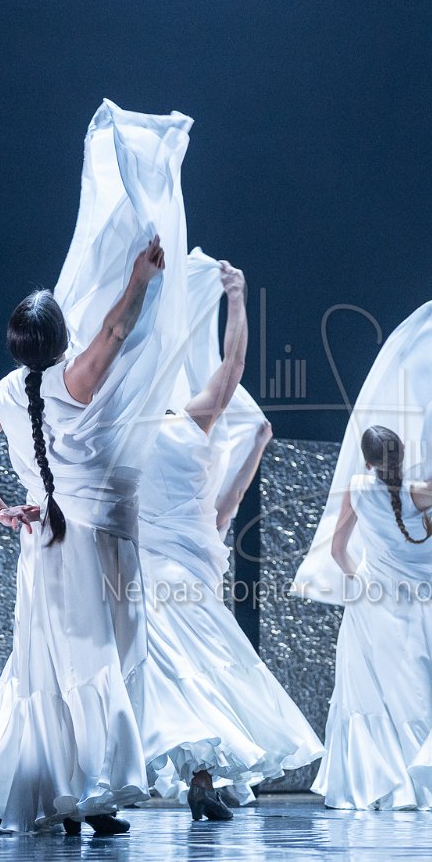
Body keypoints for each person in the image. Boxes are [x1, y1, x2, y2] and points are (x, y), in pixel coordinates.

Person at [0, 238, 164, 836]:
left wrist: (0, 510)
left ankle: (58, 788)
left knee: (46, 667)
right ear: (63, 339)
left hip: (44, 542)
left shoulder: (6, 392)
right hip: (94, 541)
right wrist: (139, 279)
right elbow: (115, 331)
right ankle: (88, 790)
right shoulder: (76, 378)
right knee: (96, 661)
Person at [138, 259, 324, 820]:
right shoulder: (190, 426)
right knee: (205, 674)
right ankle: (200, 777)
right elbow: (234, 365)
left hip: (142, 576)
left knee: (162, 679)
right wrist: (237, 299)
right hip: (191, 577)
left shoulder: (123, 441)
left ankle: (125, 776)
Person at [312, 426, 432, 811]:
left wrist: (363, 582)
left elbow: (337, 551)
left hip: (368, 606)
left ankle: (383, 783)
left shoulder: (357, 488)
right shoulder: (419, 493)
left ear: (368, 462)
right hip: (413, 608)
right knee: (425, 692)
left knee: (374, 697)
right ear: (402, 454)